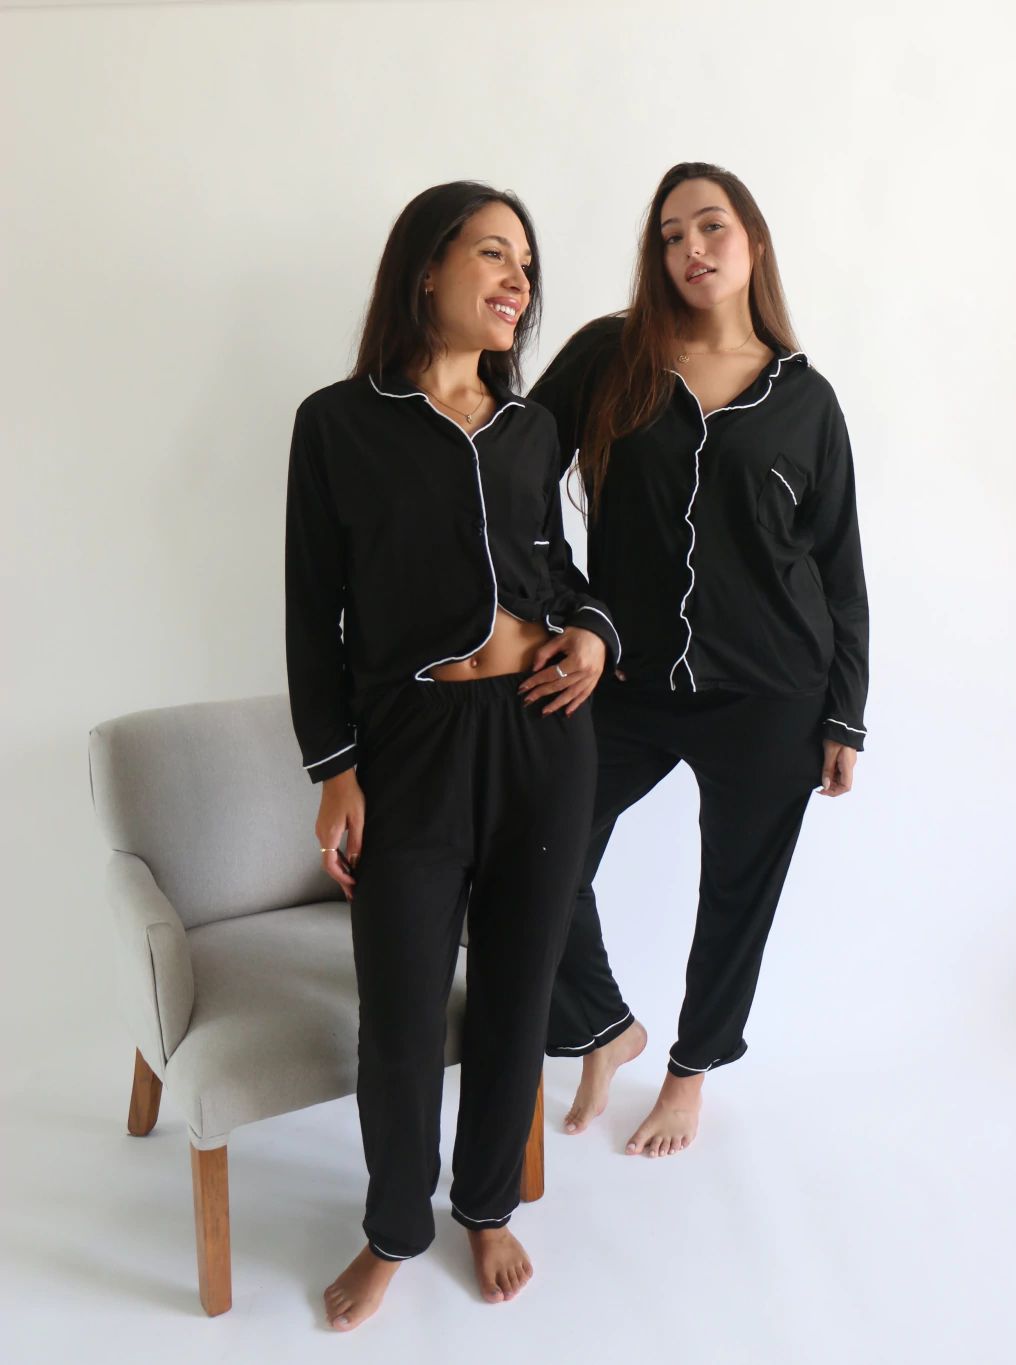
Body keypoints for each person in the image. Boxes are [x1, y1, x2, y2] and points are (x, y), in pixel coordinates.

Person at [285, 181, 618, 1330]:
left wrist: (594, 632)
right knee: (401, 1012)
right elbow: (311, 612)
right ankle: (393, 1228)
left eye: (526, 261)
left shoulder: (528, 429)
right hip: (411, 745)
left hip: (544, 736)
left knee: (516, 996)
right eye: (492, 254)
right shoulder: (337, 423)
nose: (518, 279)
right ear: (426, 268)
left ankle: (486, 1206)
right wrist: (335, 767)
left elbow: (557, 574)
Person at [525, 160, 869, 1159]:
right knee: (529, 845)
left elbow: (838, 566)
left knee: (735, 901)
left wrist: (844, 713)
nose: (690, 249)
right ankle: (603, 1027)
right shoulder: (611, 357)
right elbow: (513, 475)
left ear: (751, 241)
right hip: (624, 681)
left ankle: (689, 1074)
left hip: (773, 693)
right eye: (671, 235)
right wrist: (573, 609)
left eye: (710, 226)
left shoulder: (806, 401)